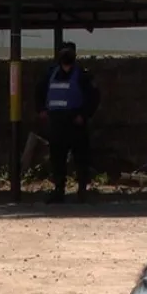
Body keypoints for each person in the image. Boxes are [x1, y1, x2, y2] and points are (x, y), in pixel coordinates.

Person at [34, 41, 100, 204]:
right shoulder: (50, 73)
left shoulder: (83, 75)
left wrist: (84, 115)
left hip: (75, 123)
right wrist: (41, 109)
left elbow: (93, 97)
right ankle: (58, 191)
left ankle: (82, 190)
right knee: (57, 158)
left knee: (81, 158)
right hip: (56, 123)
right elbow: (39, 92)